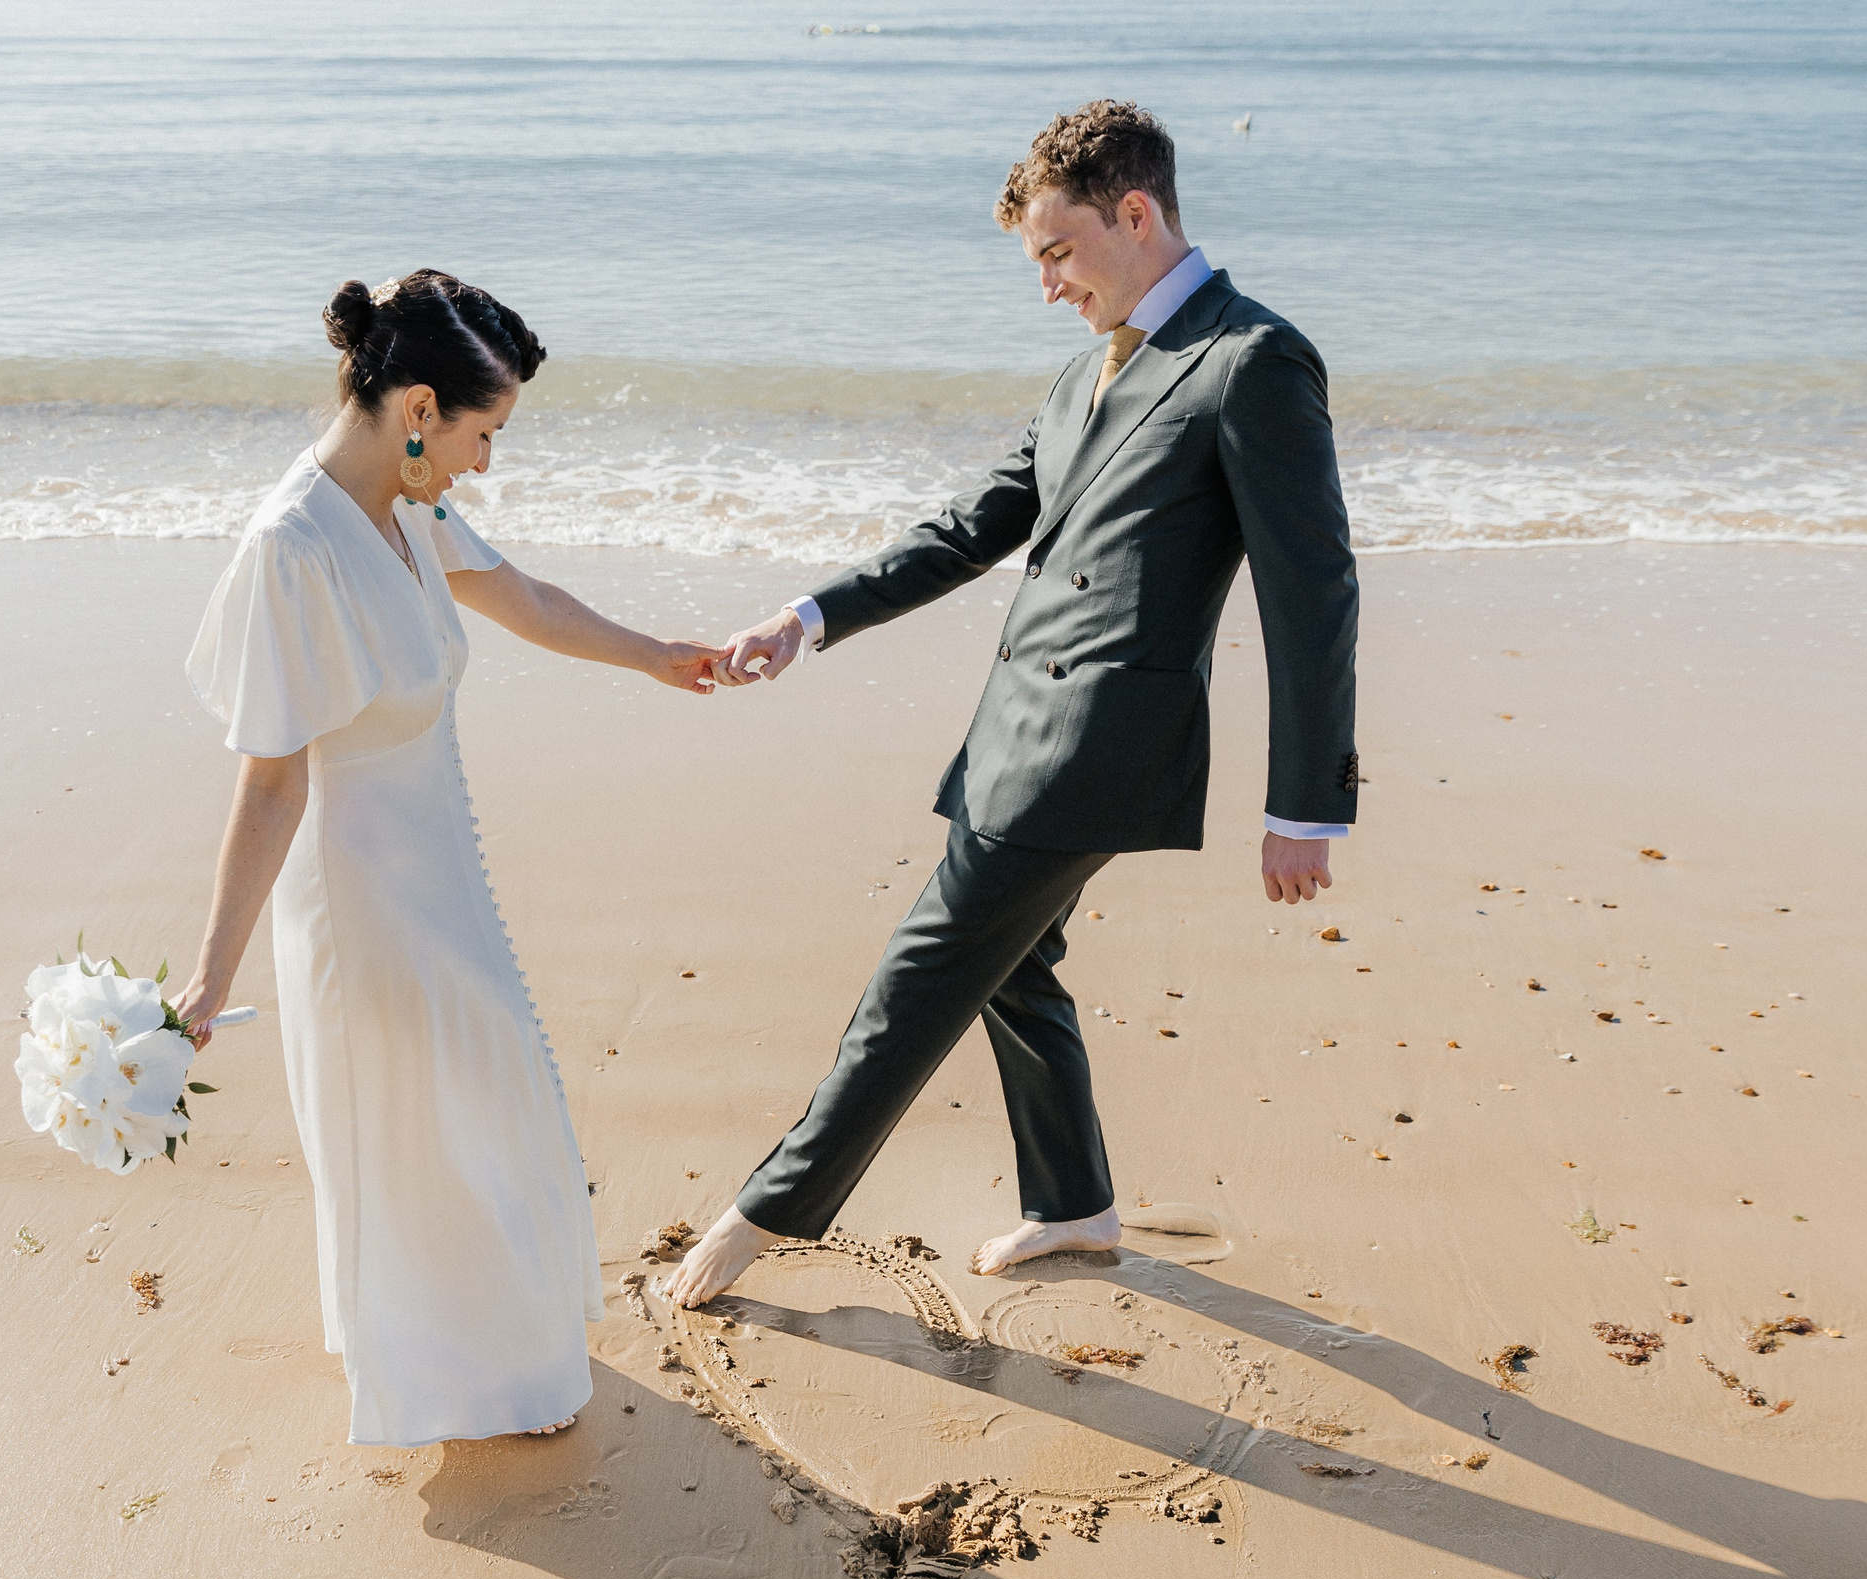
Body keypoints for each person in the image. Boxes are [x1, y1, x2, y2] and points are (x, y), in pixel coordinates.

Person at [666, 101, 1360, 1310]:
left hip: (1094, 747)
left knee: (923, 972)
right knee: (1012, 960)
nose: (1046, 285)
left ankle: (762, 1217)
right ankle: (1074, 1204)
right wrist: (808, 617)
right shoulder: (1077, 376)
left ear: (1134, 215)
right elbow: (972, 530)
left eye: (1058, 252)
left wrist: (1306, 804)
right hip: (1013, 732)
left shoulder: (1252, 361)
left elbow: (1315, 589)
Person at [173, 271, 721, 1443]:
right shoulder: (295, 548)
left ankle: (499, 1357)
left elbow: (516, 593)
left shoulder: (405, 499)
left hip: (442, 871)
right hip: (363, 899)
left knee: (492, 1097)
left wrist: (655, 657)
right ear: (420, 404)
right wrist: (211, 979)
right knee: (424, 1128)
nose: (487, 462)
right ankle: (457, 1383)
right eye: (485, 433)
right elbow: (270, 778)